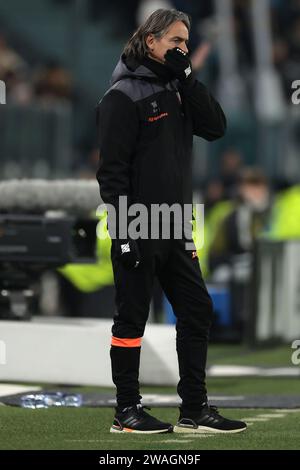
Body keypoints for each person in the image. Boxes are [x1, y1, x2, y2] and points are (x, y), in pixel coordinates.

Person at [96, 8, 247, 434]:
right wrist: (123, 234)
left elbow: (216, 126)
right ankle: (125, 411)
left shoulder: (178, 89)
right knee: (131, 319)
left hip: (177, 224)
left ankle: (194, 409)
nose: (182, 49)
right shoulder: (121, 96)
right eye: (175, 42)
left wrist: (188, 79)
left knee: (197, 311)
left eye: (186, 42)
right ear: (150, 42)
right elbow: (111, 174)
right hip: (140, 224)